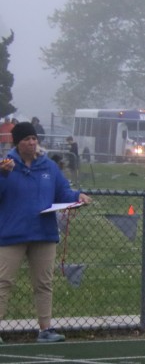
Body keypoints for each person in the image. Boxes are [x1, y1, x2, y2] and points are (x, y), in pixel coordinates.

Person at [0, 121, 92, 343]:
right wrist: (2, 175)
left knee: (44, 283)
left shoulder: (49, 167)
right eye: (26, 139)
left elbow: (63, 192)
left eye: (34, 138)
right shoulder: (5, 166)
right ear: (17, 143)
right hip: (12, 234)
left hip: (44, 233)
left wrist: (77, 197)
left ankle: (45, 329)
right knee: (3, 282)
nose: (32, 143)